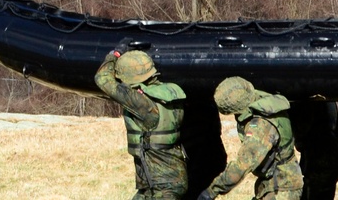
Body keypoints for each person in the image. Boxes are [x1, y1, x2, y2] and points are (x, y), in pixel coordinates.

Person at [94, 38, 188, 199]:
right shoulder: (169, 94)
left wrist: (115, 54)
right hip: (165, 181)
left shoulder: (142, 103)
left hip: (162, 187)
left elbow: (102, 79)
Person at [197, 76, 303, 200]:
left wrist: (210, 192)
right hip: (276, 184)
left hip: (281, 189)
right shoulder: (265, 103)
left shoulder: (260, 126)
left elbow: (241, 167)